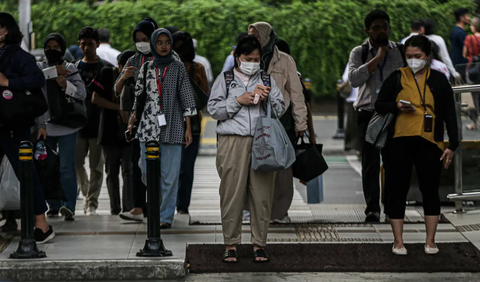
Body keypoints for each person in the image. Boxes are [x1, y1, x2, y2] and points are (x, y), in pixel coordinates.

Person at [375, 35, 458, 255]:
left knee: (430, 190)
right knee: (397, 190)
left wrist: (453, 144)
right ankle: (398, 241)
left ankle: (430, 241)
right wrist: (396, 106)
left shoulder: (439, 80)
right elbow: (380, 105)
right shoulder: (396, 77)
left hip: (431, 141)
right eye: (409, 56)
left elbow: (450, 113)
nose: (413, 60)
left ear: (428, 56)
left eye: (418, 56)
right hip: (398, 141)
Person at [208, 36, 286, 263]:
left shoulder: (266, 78)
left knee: (262, 195)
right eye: (247, 58)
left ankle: (259, 244)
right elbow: (213, 110)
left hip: (263, 141)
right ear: (237, 57)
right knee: (231, 193)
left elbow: (280, 109)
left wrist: (268, 97)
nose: (252, 62)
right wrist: (238, 101)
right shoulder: (226, 78)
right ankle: (230, 244)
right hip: (232, 141)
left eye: (256, 59)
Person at [127, 28, 197, 229]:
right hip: (148, 125)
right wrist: (132, 120)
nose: (164, 46)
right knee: (146, 170)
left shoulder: (177, 68)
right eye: (160, 43)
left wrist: (188, 128)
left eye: (167, 42)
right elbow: (139, 97)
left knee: (170, 175)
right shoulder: (147, 68)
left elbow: (186, 98)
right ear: (153, 45)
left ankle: (165, 216)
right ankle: (157, 206)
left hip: (173, 125)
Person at [0, 12, 54, 243]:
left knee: (26, 171)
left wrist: (8, 82)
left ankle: (42, 223)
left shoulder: (18, 56)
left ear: (4, 31)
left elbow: (37, 80)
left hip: (13, 123)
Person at [348, 10, 406, 222]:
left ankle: (391, 207)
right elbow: (354, 80)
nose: (382, 31)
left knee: (393, 162)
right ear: (367, 31)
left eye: (385, 26)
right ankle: (372, 208)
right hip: (368, 113)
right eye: (377, 27)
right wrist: (377, 59)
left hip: (393, 113)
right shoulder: (359, 52)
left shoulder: (400, 50)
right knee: (370, 164)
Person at [248, 22, 307, 222]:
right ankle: (256, 209)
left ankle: (279, 211)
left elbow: (297, 94)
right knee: (255, 165)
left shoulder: (285, 61)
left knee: (282, 168)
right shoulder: (245, 58)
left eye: (256, 36)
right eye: (250, 36)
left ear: (265, 36)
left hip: (281, 120)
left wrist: (301, 124)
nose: (252, 40)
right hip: (253, 120)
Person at [36, 33, 86, 220]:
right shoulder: (38, 67)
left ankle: (69, 206)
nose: (52, 50)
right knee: (46, 166)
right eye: (49, 46)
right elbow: (34, 81)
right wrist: (53, 72)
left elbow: (81, 94)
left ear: (63, 49)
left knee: (67, 167)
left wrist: (66, 85)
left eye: (56, 47)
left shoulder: (70, 68)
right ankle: (53, 204)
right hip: (45, 126)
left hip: (67, 126)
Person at [116, 18, 158, 222]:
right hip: (137, 120)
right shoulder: (133, 60)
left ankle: (158, 208)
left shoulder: (165, 58)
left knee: (157, 164)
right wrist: (124, 77)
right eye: (138, 40)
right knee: (136, 163)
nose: (141, 43)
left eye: (145, 39)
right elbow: (116, 89)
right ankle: (138, 207)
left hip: (159, 120)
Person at [91, 50, 136, 215]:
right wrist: (119, 108)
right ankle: (115, 207)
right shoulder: (107, 74)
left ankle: (128, 206)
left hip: (129, 132)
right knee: (112, 171)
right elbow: (95, 98)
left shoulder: (137, 78)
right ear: (119, 65)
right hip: (110, 130)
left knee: (128, 170)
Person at [75, 27, 113, 216]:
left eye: (90, 44)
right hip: (78, 124)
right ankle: (86, 192)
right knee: (76, 162)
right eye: (83, 44)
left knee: (96, 166)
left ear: (97, 44)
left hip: (99, 124)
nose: (86, 47)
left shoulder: (105, 68)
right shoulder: (74, 68)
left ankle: (92, 203)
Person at [173, 31, 210, 215]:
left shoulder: (197, 68)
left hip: (190, 124)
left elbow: (203, 96)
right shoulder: (196, 68)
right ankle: (179, 205)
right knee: (183, 168)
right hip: (182, 123)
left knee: (182, 167)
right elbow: (204, 97)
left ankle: (181, 205)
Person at [463, 17, 480, 131]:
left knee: (475, 97)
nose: (470, 26)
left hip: (473, 70)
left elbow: (464, 53)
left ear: (475, 26)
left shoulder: (470, 38)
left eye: (472, 25)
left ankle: (474, 123)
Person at [342, 63, 361, 153]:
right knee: (355, 123)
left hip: (355, 98)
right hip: (357, 98)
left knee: (352, 123)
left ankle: (352, 144)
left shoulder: (352, 62)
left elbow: (345, 78)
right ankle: (356, 145)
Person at [450, 8, 470, 82]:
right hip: (461, 65)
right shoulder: (460, 32)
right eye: (467, 16)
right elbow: (466, 49)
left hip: (455, 64)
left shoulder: (454, 30)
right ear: (461, 18)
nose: (469, 18)